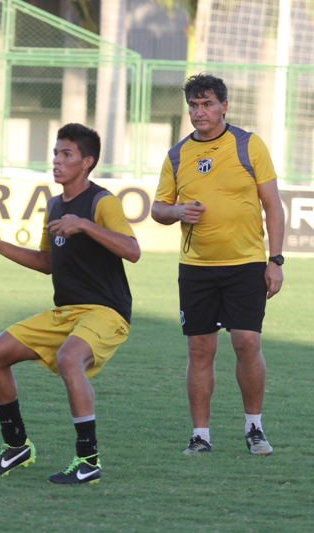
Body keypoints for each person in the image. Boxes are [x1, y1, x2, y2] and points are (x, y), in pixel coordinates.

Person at [0, 123, 140, 484]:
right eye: (56, 153)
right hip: (66, 312)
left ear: (87, 162)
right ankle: (17, 446)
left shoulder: (103, 202)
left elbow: (132, 250)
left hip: (106, 312)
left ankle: (88, 460)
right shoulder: (55, 205)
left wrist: (84, 225)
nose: (56, 160)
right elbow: (46, 262)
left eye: (66, 154)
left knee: (69, 358)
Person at [151, 74, 284, 456]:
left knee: (247, 341)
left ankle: (254, 427)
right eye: (193, 105)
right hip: (196, 267)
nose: (199, 112)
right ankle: (201, 435)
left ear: (224, 106)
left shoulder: (248, 145)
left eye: (207, 104)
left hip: (245, 263)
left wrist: (275, 260)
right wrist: (178, 211)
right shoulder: (177, 155)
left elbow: (273, 205)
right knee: (199, 349)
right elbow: (158, 208)